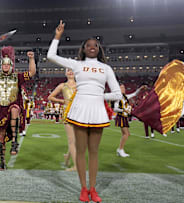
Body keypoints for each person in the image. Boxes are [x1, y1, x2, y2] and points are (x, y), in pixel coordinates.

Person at [47, 20, 122, 202]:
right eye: (88, 45)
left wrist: (99, 96)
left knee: (94, 152)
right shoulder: (76, 64)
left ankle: (93, 189)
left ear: (99, 49)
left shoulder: (106, 68)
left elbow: (117, 93)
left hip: (97, 111)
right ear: (83, 48)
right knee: (80, 151)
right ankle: (83, 189)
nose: (91, 47)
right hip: (79, 110)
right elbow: (51, 55)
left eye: (95, 45)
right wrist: (57, 36)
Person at [0, 46, 36, 170]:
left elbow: (31, 73)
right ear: (1, 66)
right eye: (4, 65)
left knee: (15, 109)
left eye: (8, 65)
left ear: (11, 66)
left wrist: (31, 59)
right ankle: (2, 161)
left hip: (12, 105)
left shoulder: (17, 77)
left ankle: (14, 141)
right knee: (1, 137)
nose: (6, 67)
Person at [48, 68, 77, 172]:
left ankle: (67, 158)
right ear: (65, 73)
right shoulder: (62, 86)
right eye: (68, 70)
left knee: (76, 140)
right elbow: (50, 97)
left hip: (79, 114)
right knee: (71, 140)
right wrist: (62, 101)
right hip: (67, 113)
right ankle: (76, 166)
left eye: (72, 70)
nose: (70, 72)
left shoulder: (80, 86)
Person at [113, 84, 146, 157]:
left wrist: (140, 88)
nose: (123, 89)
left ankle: (120, 149)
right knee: (126, 134)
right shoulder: (118, 97)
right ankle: (120, 150)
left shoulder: (125, 96)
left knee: (126, 134)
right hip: (121, 117)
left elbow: (134, 94)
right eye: (121, 88)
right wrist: (124, 109)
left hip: (124, 117)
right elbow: (115, 109)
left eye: (124, 87)